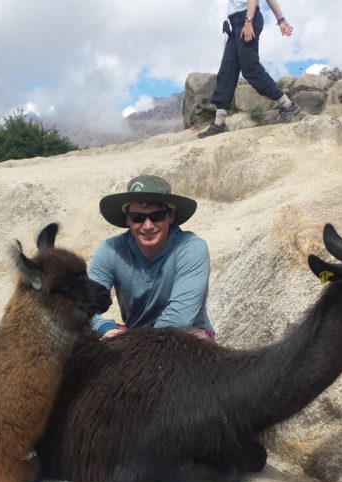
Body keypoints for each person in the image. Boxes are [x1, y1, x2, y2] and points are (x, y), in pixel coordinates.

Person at [88, 175, 214, 340]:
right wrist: (104, 327)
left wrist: (131, 345)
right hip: (135, 336)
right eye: (138, 218)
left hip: (183, 335)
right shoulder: (110, 250)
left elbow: (179, 319)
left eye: (156, 216)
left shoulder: (190, 247)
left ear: (171, 216)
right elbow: (82, 306)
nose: (147, 226)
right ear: (127, 219)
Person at [197, 0, 302, 138]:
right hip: (235, 21)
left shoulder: (248, 19)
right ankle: (219, 123)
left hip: (246, 19)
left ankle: (288, 105)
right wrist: (281, 19)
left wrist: (248, 22)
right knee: (227, 70)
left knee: (250, 68)